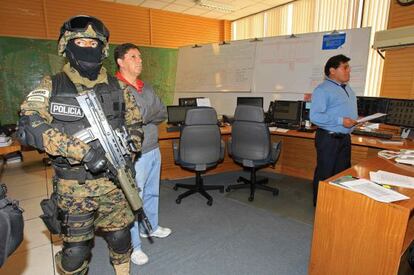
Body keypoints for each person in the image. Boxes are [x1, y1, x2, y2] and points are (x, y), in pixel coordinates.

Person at [17, 15, 144, 275]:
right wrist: (82, 152)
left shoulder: (118, 86)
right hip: (75, 187)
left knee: (121, 238)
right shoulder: (52, 85)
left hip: (115, 183)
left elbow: (135, 122)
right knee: (76, 253)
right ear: (67, 45)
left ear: (103, 49)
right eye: (81, 42)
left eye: (94, 42)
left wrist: (132, 143)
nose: (88, 47)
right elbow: (29, 124)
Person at [114, 43, 171, 266]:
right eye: (133, 57)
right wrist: (145, 114)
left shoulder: (144, 87)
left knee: (152, 193)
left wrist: (141, 114)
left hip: (153, 148)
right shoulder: (115, 88)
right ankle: (134, 247)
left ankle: (152, 228)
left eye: (140, 57)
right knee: (132, 200)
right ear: (120, 61)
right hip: (133, 155)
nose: (139, 60)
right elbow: (129, 118)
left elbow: (162, 111)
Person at [310, 54, 358, 206]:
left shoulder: (348, 89)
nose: (348, 71)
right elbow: (315, 116)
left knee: (342, 175)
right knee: (325, 174)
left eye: (348, 67)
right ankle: (320, 206)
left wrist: (355, 121)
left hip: (344, 138)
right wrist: (341, 121)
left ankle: (336, 207)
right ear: (332, 70)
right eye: (345, 67)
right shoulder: (322, 90)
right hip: (328, 138)